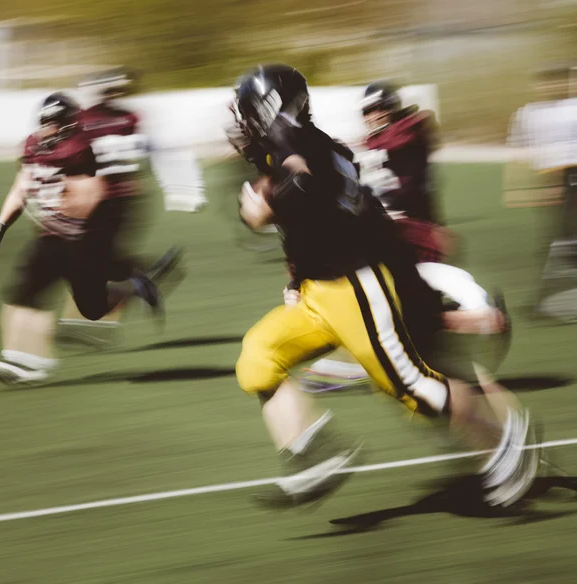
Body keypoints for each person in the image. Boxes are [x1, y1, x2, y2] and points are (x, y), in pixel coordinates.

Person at [228, 64, 539, 509]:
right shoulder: (302, 145)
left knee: (420, 392)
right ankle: (315, 455)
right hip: (319, 291)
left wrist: (265, 203)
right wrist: (295, 276)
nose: (243, 122)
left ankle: (504, 444)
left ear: (269, 107)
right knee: (258, 357)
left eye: (248, 112)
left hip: (355, 289)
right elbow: (309, 213)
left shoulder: (299, 144)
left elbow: (302, 185)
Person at [304, 81, 511, 388]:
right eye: (369, 111)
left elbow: (408, 136)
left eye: (380, 109)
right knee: (398, 311)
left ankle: (484, 320)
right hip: (389, 235)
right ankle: (479, 321)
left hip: (411, 234)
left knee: (393, 307)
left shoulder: (406, 134)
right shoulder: (374, 143)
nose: (374, 116)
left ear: (393, 108)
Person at [0, 92, 179, 386]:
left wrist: (62, 214)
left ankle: (135, 286)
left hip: (80, 240)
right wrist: (1, 223)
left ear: (67, 124)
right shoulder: (32, 147)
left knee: (92, 309)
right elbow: (21, 186)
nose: (48, 128)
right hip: (52, 238)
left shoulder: (77, 149)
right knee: (22, 294)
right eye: (44, 122)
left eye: (54, 122)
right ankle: (21, 358)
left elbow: (92, 193)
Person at [56, 68, 177, 347]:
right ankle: (145, 276)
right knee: (91, 260)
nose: (115, 94)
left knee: (93, 260)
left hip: (116, 201)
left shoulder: (123, 119)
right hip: (95, 200)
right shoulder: (85, 119)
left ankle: (135, 283)